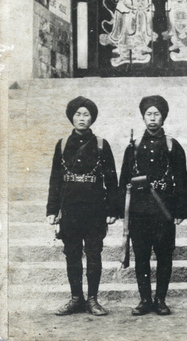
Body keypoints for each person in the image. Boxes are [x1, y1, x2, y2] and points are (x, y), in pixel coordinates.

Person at [46, 96, 119, 316]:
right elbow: (55, 179)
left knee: (94, 254)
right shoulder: (62, 145)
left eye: (86, 114)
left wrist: (113, 210)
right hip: (70, 208)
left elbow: (112, 179)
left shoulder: (100, 144)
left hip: (95, 208)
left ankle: (93, 300)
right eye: (78, 114)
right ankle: (76, 298)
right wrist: (51, 210)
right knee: (72, 254)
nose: (81, 118)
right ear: (71, 117)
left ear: (92, 118)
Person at [118, 95, 187, 316]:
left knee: (164, 255)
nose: (152, 118)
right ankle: (145, 300)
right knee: (141, 256)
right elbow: (124, 180)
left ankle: (160, 300)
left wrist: (180, 211)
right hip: (139, 211)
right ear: (143, 117)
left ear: (163, 117)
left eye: (156, 114)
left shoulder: (172, 146)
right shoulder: (134, 146)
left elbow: (182, 179)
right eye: (148, 114)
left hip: (164, 211)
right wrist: (123, 211)